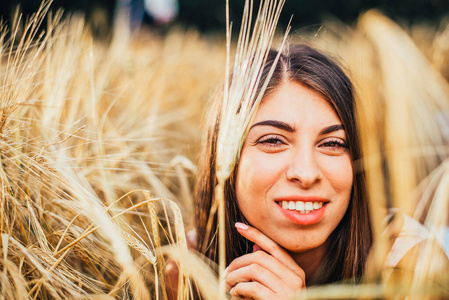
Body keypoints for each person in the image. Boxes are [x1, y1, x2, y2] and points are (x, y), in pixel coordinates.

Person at [194, 43, 373, 299]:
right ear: (224, 154)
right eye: (273, 141)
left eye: (333, 143)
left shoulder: (413, 268)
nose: (307, 173)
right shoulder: (184, 269)